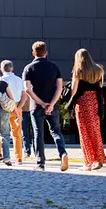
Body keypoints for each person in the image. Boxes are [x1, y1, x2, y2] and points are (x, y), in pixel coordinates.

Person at [23, 41, 69, 172]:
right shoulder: (55, 67)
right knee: (56, 131)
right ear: (46, 53)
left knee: (38, 133)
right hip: (53, 104)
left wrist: (42, 103)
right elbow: (59, 87)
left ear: (33, 53)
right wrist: (51, 104)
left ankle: (40, 163)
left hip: (36, 106)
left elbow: (27, 89)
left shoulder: (28, 68)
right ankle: (63, 153)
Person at [70, 49, 106, 171]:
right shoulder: (99, 70)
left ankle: (88, 162)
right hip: (95, 102)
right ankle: (99, 159)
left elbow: (73, 90)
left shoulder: (78, 71)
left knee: (84, 133)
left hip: (82, 103)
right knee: (95, 131)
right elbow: (100, 87)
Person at [0, 60, 28, 165]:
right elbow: (25, 96)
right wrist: (19, 108)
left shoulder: (1, 80)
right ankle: (18, 158)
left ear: (1, 69)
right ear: (12, 68)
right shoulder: (19, 80)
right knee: (17, 134)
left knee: (3, 133)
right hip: (17, 105)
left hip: (4, 107)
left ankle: (3, 155)